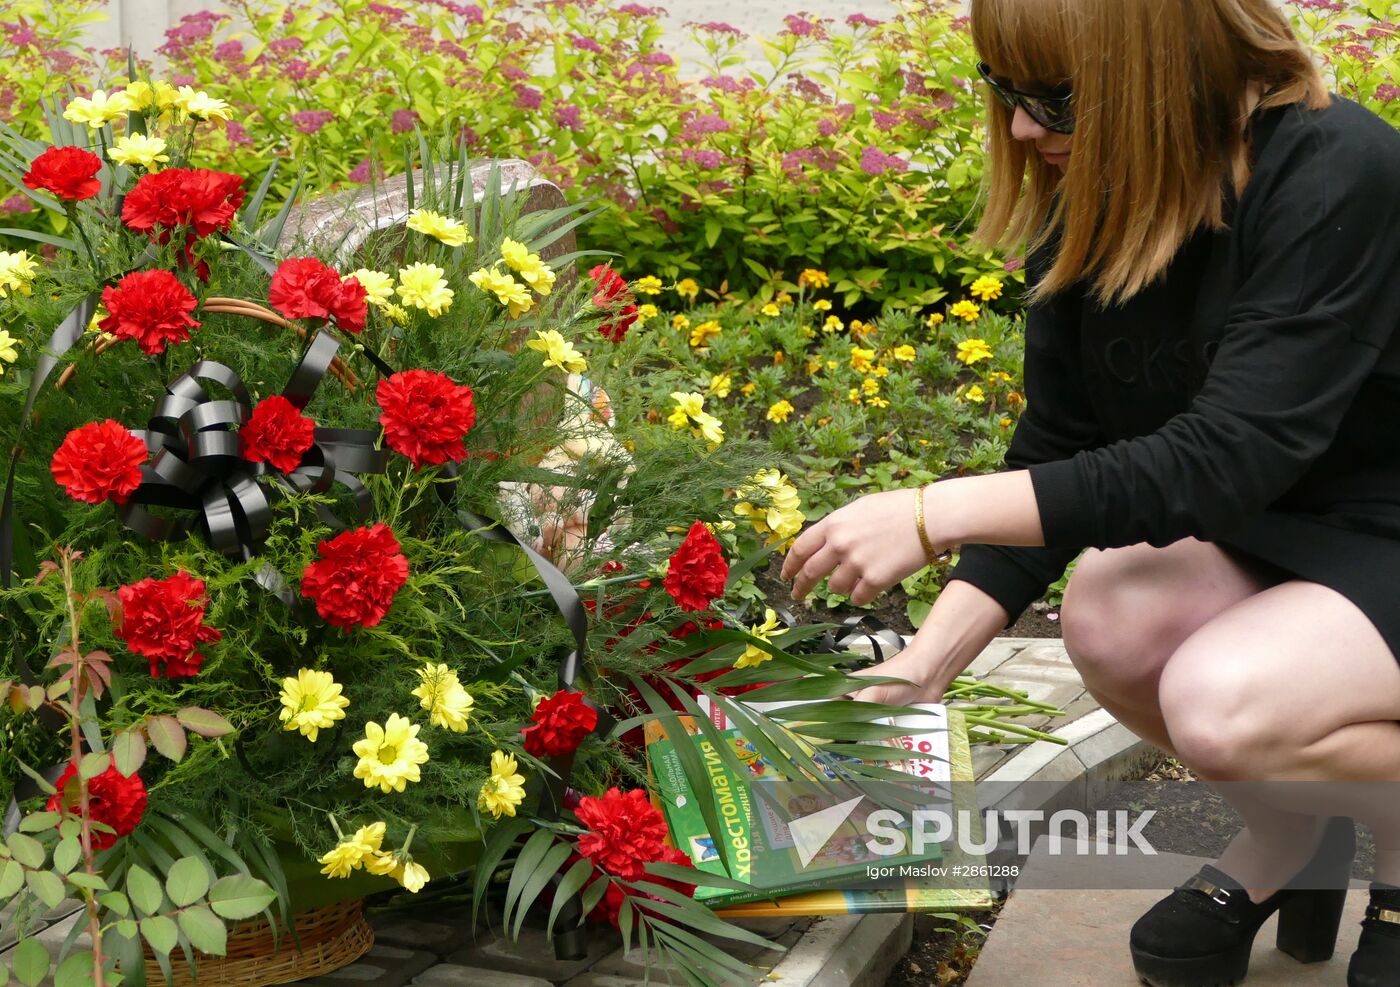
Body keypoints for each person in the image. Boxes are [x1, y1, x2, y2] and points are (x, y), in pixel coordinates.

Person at [778, 1, 1400, 985]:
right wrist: (923, 669)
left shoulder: (1335, 164)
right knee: (1109, 608)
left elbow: (1227, 453)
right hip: (1287, 532)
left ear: (1162, 67)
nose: (1024, 129)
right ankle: (1293, 840)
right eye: (1005, 92)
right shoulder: (1108, 193)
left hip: (1383, 528)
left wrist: (932, 512)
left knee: (1225, 703)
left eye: (1054, 98)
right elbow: (1059, 447)